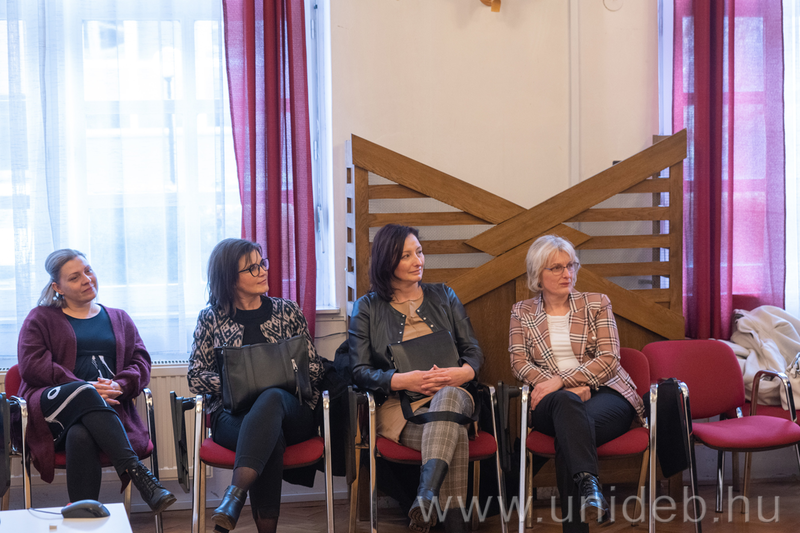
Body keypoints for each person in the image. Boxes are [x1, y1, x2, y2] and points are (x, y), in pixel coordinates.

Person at [16, 249, 175, 513]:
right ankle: (137, 472)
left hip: (108, 413)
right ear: (58, 287)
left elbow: (141, 362)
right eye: (75, 277)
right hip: (53, 413)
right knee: (84, 393)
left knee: (80, 434)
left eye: (88, 270)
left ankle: (83, 517)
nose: (87, 279)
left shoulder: (119, 318)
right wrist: (85, 387)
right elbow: (33, 366)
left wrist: (120, 385)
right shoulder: (40, 318)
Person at [348, 224, 483, 533]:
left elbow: (473, 351)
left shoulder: (444, 295)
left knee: (449, 397)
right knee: (454, 434)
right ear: (387, 261)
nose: (418, 261)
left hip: (455, 395)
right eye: (406, 255)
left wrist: (462, 373)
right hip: (401, 408)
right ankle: (452, 525)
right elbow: (358, 371)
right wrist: (403, 380)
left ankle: (425, 497)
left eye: (419, 252)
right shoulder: (367, 307)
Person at [508, 235, 645, 532]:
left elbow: (609, 359)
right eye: (556, 268)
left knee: (569, 434)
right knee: (567, 408)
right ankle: (590, 487)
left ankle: (579, 511)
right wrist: (561, 388)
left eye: (571, 265)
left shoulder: (596, 303)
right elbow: (519, 363)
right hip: (552, 401)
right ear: (538, 275)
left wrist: (562, 380)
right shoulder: (522, 311)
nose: (567, 273)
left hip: (607, 394)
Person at [188, 238, 324, 533]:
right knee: (268, 436)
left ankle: (233, 498)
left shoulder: (288, 311)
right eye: (252, 268)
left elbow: (313, 367)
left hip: (292, 412)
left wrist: (265, 381)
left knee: (271, 397)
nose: (263, 271)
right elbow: (195, 377)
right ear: (229, 279)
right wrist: (238, 382)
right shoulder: (210, 318)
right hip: (232, 418)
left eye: (262, 263)